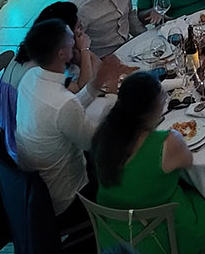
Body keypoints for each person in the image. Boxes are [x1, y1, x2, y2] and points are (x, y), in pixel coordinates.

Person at [91, 71, 205, 254]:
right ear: (153, 107)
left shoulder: (104, 135)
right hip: (162, 235)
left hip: (114, 234)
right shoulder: (167, 142)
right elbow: (188, 161)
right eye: (163, 96)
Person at [14, 17, 123, 215]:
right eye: (70, 37)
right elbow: (95, 143)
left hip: (34, 188)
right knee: (123, 162)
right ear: (61, 53)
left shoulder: (30, 77)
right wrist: (113, 91)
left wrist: (96, 84)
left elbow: (64, 111)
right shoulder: (63, 104)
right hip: (67, 197)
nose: (75, 39)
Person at [0, 1, 100, 155]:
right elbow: (83, 88)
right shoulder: (40, 69)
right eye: (78, 28)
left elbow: (96, 64)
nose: (82, 32)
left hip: (18, 124)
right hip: (26, 143)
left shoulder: (38, 48)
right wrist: (84, 49)